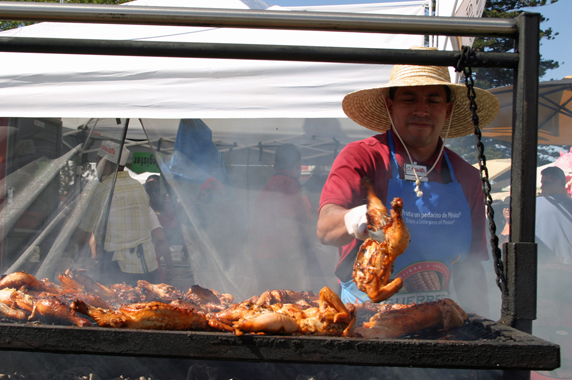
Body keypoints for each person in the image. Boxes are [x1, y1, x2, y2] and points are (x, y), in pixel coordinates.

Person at [317, 46, 499, 313]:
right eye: (409, 99)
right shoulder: (362, 157)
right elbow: (325, 228)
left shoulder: (467, 176)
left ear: (447, 110)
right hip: (364, 319)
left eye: (433, 100)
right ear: (390, 106)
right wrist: (354, 218)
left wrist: (482, 324)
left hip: (436, 322)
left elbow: (471, 266)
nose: (422, 110)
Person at [72, 141, 163, 286]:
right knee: (148, 306)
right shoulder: (139, 187)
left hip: (118, 268)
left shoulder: (102, 190)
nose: (97, 166)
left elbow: (83, 236)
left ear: (103, 162)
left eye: (98, 161)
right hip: (148, 266)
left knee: (117, 306)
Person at [249, 143, 314, 294]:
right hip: (279, 260)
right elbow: (287, 226)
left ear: (275, 165)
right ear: (298, 165)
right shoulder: (287, 184)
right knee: (286, 308)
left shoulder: (271, 184)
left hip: (264, 257)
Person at [533, 166, 572, 379]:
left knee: (546, 333)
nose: (542, 187)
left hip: (545, 278)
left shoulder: (535, 206)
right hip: (565, 278)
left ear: (556, 181)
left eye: (544, 182)